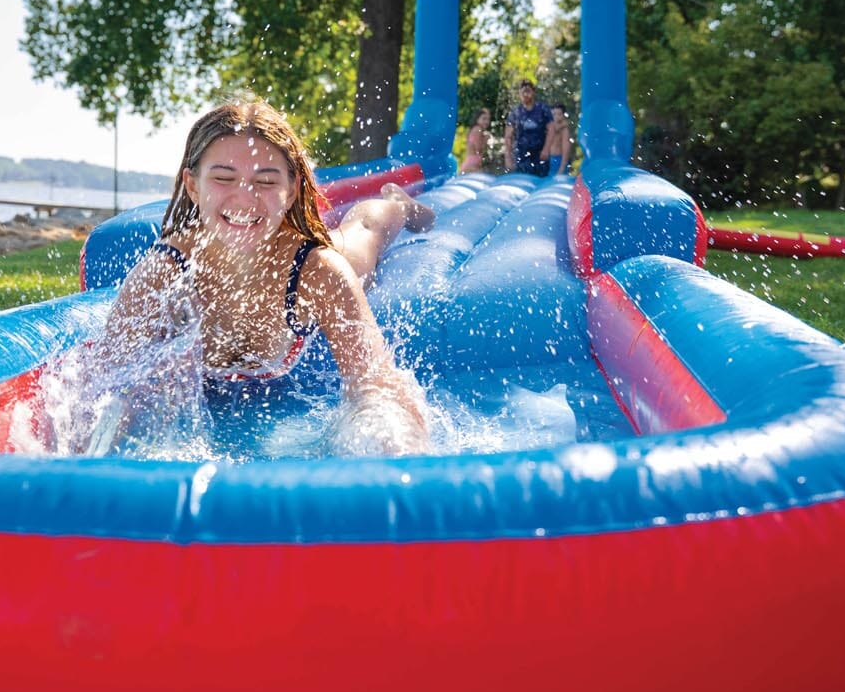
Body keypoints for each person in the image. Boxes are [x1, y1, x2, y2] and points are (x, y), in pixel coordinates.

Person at [93, 97, 431, 455]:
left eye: (266, 181)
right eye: (224, 178)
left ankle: (397, 203)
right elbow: (103, 382)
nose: (245, 199)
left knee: (363, 232)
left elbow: (376, 385)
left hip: (303, 260)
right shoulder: (165, 272)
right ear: (193, 186)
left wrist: (393, 445)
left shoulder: (320, 273)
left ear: (292, 190)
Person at [503, 81, 572, 178]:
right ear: (519, 93)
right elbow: (508, 136)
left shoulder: (543, 109)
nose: (525, 94)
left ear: (533, 92)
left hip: (539, 154)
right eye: (523, 92)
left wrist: (546, 149)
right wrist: (508, 157)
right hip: (521, 155)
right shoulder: (516, 112)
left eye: (528, 91)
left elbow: (551, 129)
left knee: (541, 180)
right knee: (522, 178)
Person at [461, 106, 495, 173]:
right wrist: (486, 139)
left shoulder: (476, 129)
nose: (487, 121)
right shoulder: (477, 129)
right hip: (471, 166)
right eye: (484, 118)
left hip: (471, 165)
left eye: (488, 119)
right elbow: (478, 149)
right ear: (477, 118)